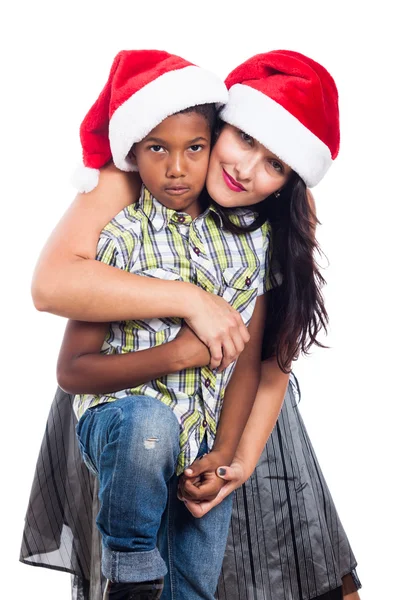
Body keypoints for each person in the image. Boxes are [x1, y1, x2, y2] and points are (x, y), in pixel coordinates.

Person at [21, 50, 361, 600]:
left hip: (241, 413)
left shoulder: (279, 216)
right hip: (129, 394)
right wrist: (191, 301)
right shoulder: (140, 180)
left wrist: (239, 459)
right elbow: (50, 286)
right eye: (244, 139)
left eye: (275, 163)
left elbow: (271, 360)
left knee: (300, 572)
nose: (248, 168)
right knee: (146, 549)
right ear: (222, 122)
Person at [54, 48, 274, 600]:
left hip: (203, 441)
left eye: (194, 148)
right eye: (157, 149)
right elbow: (73, 371)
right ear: (132, 152)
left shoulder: (250, 242)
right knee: (149, 426)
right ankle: (128, 572)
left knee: (192, 586)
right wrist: (175, 354)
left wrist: (224, 456)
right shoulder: (122, 236)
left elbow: (251, 360)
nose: (177, 169)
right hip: (122, 424)